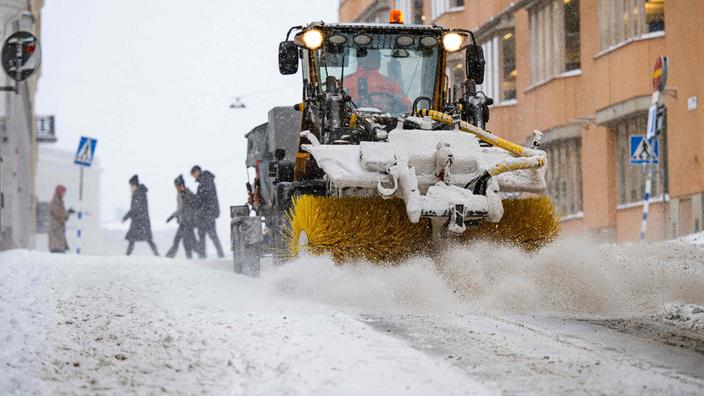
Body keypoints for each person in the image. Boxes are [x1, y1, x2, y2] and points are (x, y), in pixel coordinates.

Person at [343, 50, 410, 112]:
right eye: (369, 56)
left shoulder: (390, 83)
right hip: (352, 122)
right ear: (360, 58)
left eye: (376, 56)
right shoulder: (346, 82)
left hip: (388, 121)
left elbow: (407, 107)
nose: (374, 59)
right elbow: (337, 106)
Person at [191, 165, 225, 258]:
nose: (193, 176)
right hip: (205, 212)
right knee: (202, 233)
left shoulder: (206, 181)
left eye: (193, 174)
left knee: (211, 234)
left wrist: (199, 205)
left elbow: (207, 198)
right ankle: (203, 254)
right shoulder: (204, 181)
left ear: (197, 172)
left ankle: (220, 254)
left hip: (208, 212)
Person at [166, 175, 202, 259]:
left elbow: (181, 209)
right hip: (185, 221)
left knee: (180, 240)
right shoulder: (181, 194)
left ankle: (170, 256)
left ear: (182, 185)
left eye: (177, 186)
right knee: (187, 241)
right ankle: (193, 255)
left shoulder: (186, 194)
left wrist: (172, 216)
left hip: (188, 222)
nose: (176, 188)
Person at [122, 175, 159, 256]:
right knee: (142, 239)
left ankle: (127, 255)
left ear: (134, 185)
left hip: (139, 221)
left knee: (135, 238)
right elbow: (136, 208)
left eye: (131, 186)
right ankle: (156, 254)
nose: (130, 188)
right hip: (141, 220)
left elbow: (135, 208)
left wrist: (126, 217)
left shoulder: (138, 194)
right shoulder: (140, 193)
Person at [48, 185, 74, 253]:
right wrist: (68, 213)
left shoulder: (59, 201)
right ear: (59, 192)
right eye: (63, 192)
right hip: (56, 234)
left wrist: (67, 213)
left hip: (59, 234)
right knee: (58, 255)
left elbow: (62, 215)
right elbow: (60, 214)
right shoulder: (55, 201)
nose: (64, 194)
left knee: (61, 253)